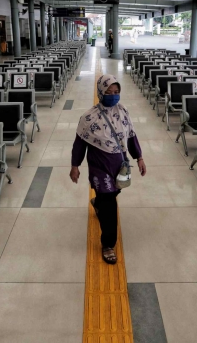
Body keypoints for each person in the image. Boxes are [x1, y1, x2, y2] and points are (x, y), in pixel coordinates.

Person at [70, 75, 147, 264]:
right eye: (109, 92)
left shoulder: (123, 112)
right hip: (99, 166)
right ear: (100, 92)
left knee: (113, 192)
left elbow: (131, 137)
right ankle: (108, 244)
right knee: (110, 203)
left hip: (119, 164)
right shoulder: (89, 117)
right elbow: (79, 144)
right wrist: (75, 165)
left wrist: (139, 157)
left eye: (116, 92)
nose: (113, 96)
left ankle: (98, 203)